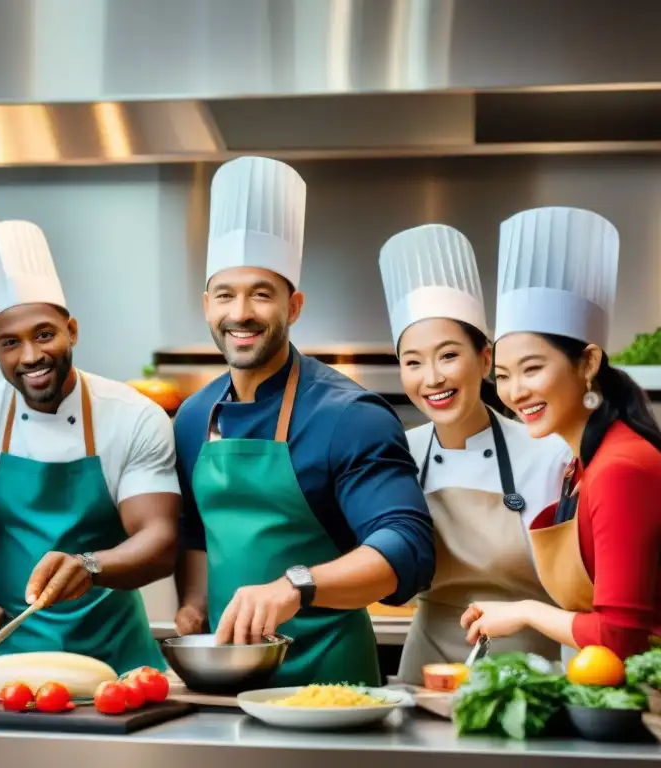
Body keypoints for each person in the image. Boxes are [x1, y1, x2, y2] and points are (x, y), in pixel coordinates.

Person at [171, 156, 436, 688]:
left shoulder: (348, 415)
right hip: (227, 681)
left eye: (261, 294)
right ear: (206, 305)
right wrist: (195, 606)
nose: (240, 312)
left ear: (293, 306)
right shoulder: (193, 416)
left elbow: (408, 546)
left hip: (330, 685)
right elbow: (196, 534)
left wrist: (296, 585)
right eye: (225, 294)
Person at [0, 219, 180, 675]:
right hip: (13, 667)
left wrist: (91, 566)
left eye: (44, 334)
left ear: (72, 331)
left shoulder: (133, 417)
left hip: (123, 668)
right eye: (10, 343)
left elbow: (159, 541)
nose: (30, 357)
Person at [461, 206, 661, 661]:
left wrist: (528, 613)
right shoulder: (582, 463)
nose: (516, 392)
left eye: (532, 369)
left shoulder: (620, 468)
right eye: (505, 376)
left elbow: (621, 637)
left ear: (588, 363)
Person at [379, 223, 571, 684]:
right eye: (413, 362)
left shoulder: (548, 452)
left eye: (448, 356)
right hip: (425, 665)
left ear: (485, 359)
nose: (432, 378)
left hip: (529, 668)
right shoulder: (397, 453)